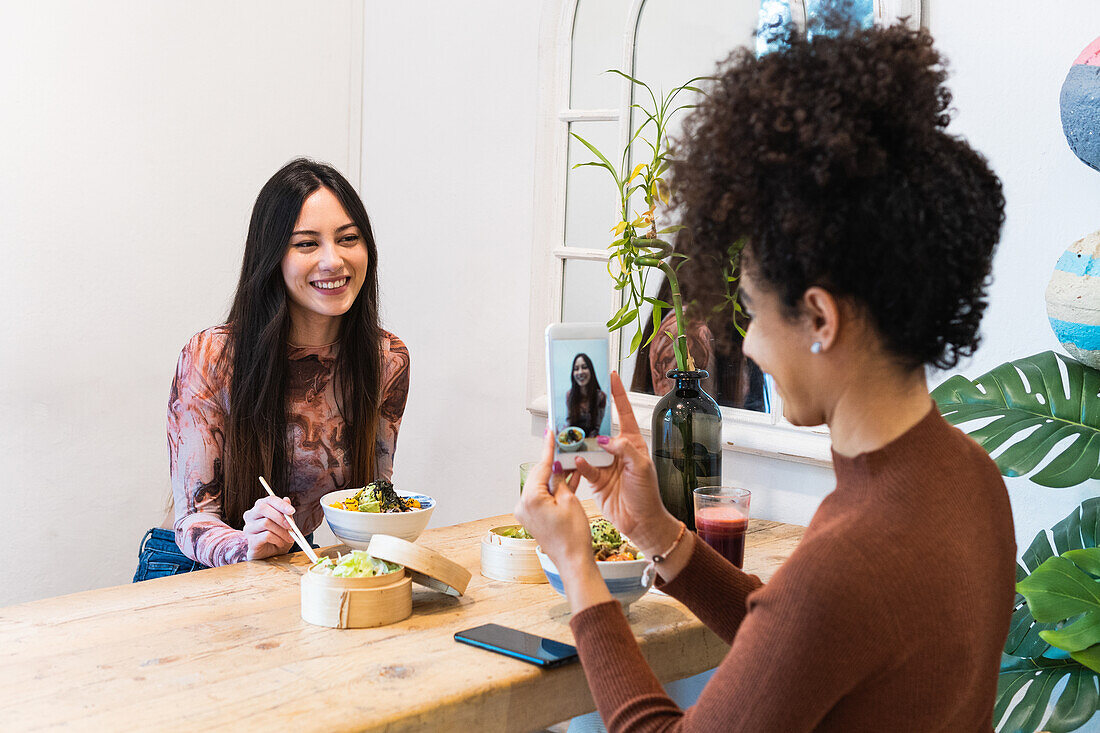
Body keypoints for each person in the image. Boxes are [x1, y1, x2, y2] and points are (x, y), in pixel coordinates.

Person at [516, 19, 1015, 731]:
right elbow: (798, 642)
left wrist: (576, 566)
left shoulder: (849, 558)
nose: (745, 345)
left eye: (750, 311)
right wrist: (659, 532)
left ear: (819, 317)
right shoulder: (970, 477)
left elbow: (809, 616)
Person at [134, 158, 409, 579]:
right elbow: (193, 520)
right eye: (306, 244)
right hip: (190, 566)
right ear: (272, 256)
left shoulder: (385, 358)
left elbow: (369, 500)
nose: (333, 261)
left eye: (348, 238)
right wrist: (249, 544)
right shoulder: (212, 355)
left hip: (297, 562)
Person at [565, 353, 607, 437]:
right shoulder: (569, 395)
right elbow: (569, 423)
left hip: (591, 441)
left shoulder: (601, 397)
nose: (580, 372)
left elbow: (596, 428)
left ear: (591, 370)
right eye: (576, 369)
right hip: (574, 441)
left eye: (584, 367)